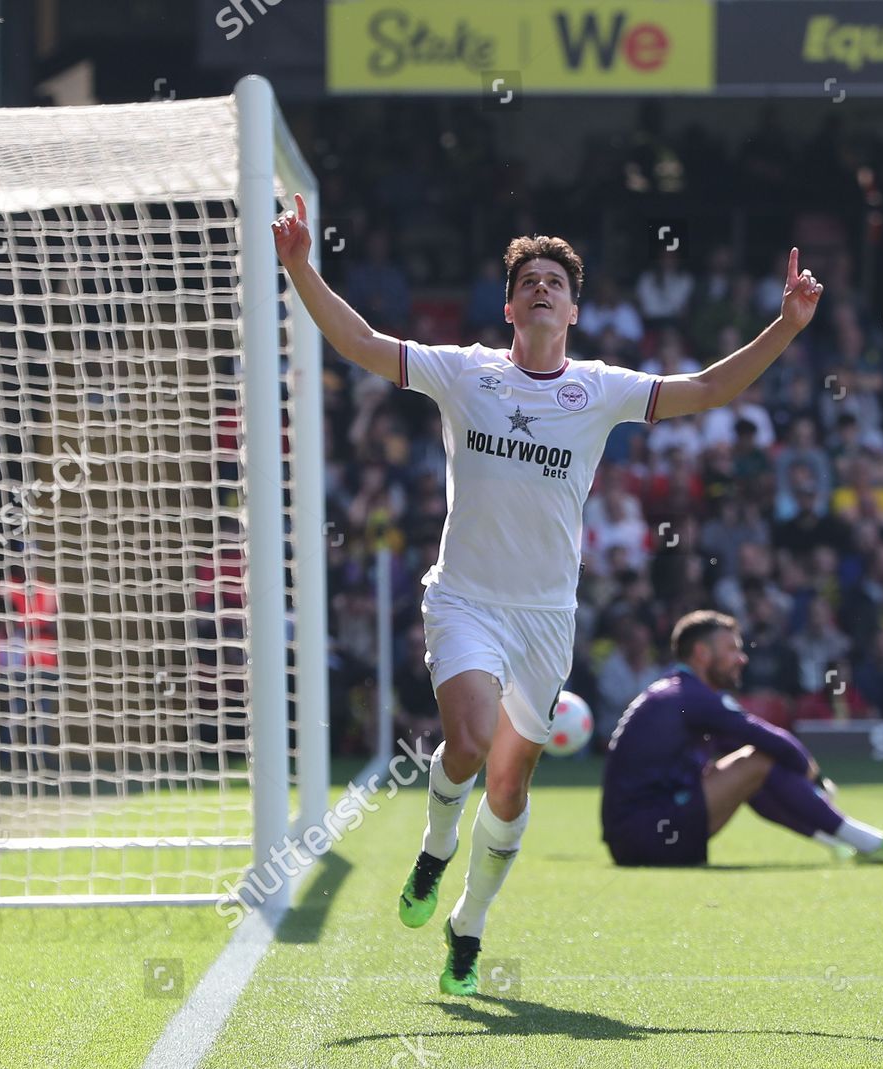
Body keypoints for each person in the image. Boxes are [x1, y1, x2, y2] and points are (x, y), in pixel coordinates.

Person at [272, 195, 824, 996]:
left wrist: (789, 328)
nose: (540, 289)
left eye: (553, 282)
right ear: (508, 304)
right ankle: (435, 846)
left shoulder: (598, 388)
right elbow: (359, 342)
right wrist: (298, 266)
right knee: (466, 738)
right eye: (527, 279)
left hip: (544, 619)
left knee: (509, 783)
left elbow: (706, 388)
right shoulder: (466, 371)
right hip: (463, 599)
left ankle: (469, 922)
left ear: (573, 307)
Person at [600, 610, 883, 867]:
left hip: (639, 836)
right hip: (647, 836)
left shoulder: (680, 691)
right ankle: (874, 844)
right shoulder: (691, 696)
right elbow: (772, 741)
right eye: (732, 649)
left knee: (753, 768)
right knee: (757, 761)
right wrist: (814, 776)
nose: (742, 658)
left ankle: (842, 843)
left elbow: (758, 750)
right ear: (702, 654)